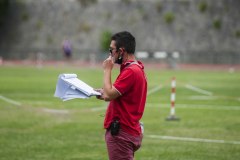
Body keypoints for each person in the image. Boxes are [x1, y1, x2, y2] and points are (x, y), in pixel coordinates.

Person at [96, 31, 147, 160]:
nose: (110, 54)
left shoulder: (130, 71)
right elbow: (111, 95)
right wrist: (102, 93)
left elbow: (110, 93)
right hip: (129, 130)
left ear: (122, 50)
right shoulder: (136, 68)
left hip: (122, 132)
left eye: (112, 50)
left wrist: (107, 69)